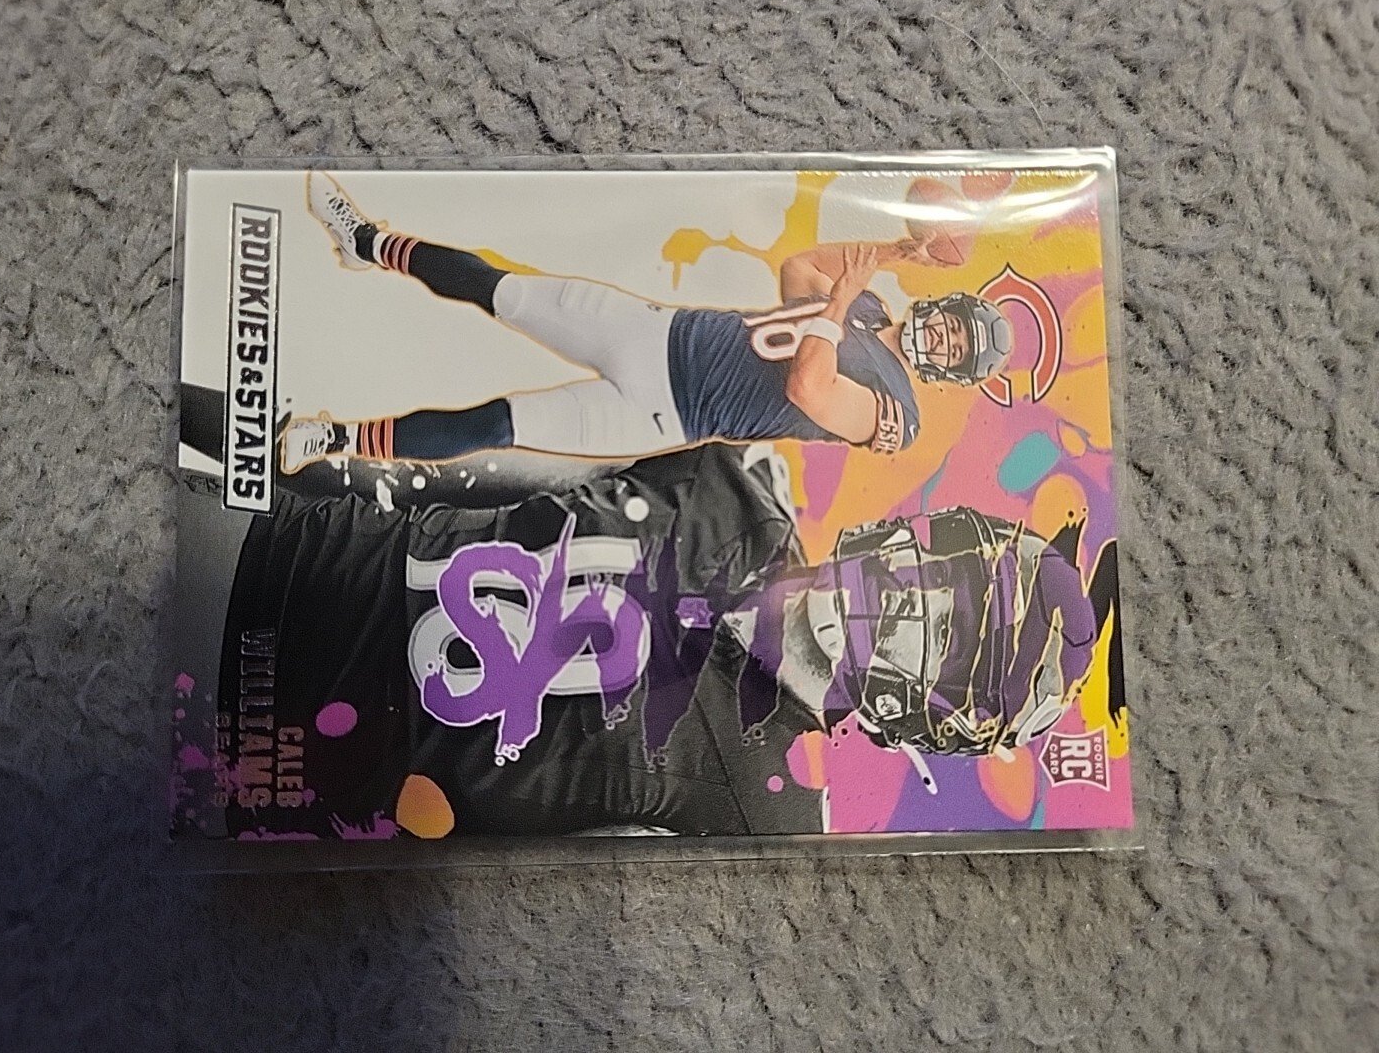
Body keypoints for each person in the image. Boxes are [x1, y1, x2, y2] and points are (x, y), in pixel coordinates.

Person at [208, 442, 1117, 840]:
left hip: (264, 768)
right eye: (943, 579)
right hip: (283, 552)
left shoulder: (761, 812)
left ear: (937, 716)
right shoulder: (733, 484)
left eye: (949, 637)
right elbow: (474, 480)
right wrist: (270, 464)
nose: (912, 605)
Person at [278, 172, 1014, 473]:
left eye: (956, 349)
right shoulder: (873, 307)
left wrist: (840, 301)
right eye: (954, 326)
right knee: (503, 291)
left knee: (498, 423)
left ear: (950, 372)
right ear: (945, 306)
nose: (943, 338)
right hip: (657, 332)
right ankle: (368, 241)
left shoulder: (899, 412)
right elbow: (798, 270)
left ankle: (336, 440)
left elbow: (810, 390)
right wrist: (893, 250)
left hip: (663, 410)